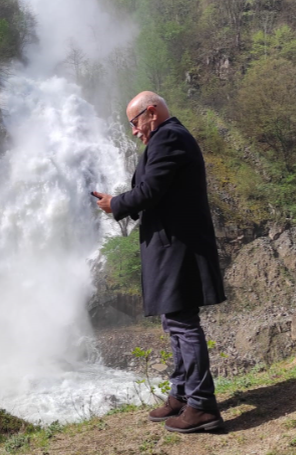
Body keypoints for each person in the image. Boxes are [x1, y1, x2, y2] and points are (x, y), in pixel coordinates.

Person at [93, 91, 226, 433]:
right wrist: (120, 203)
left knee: (183, 323)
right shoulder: (170, 138)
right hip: (170, 246)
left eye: (134, 123)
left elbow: (151, 190)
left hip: (177, 248)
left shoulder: (169, 138)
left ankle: (202, 405)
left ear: (151, 112)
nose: (134, 132)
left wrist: (117, 204)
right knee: (174, 322)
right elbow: (157, 191)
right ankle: (182, 395)